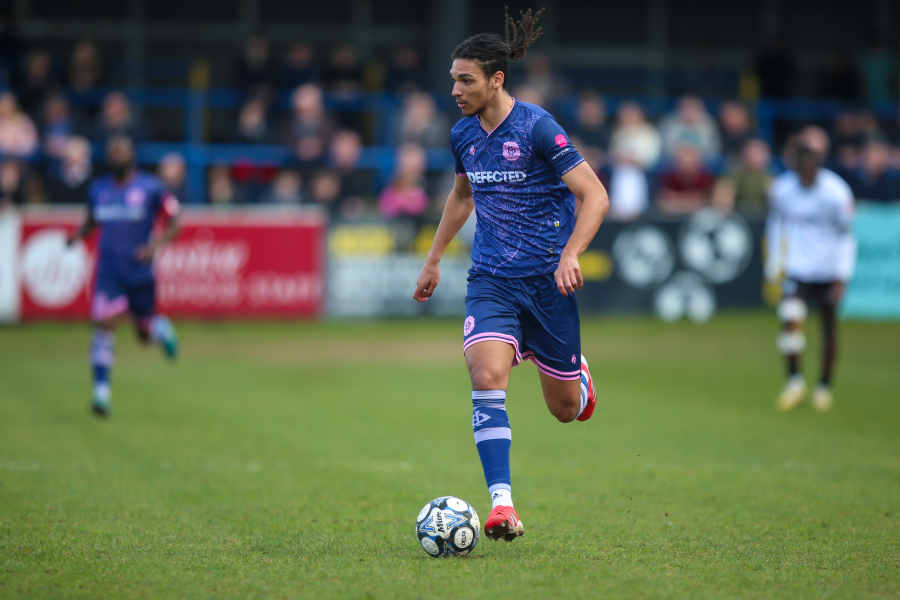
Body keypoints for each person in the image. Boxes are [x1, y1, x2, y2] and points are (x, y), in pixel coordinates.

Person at [413, 9, 608, 543]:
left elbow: (595, 195)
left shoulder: (539, 127)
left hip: (548, 283)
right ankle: (502, 505)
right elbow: (462, 195)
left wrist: (571, 254)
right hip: (492, 280)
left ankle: (578, 377)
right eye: (453, 78)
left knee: (565, 411)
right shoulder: (462, 135)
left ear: (496, 79)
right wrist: (433, 259)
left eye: (465, 79)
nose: (454, 88)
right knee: (485, 377)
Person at [66, 135, 181, 417]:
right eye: (113, 152)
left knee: (142, 333)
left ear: (132, 156)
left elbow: (176, 220)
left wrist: (154, 247)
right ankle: (101, 395)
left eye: (122, 152)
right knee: (103, 324)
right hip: (109, 271)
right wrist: (77, 236)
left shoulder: (151, 187)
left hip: (139, 272)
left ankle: (159, 330)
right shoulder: (98, 189)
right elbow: (93, 220)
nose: (117, 157)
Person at [765, 127, 856, 413]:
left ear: (817, 166)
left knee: (828, 327)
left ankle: (824, 386)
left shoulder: (836, 192)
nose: (805, 175)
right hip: (798, 267)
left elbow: (846, 236)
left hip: (828, 268)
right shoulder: (782, 189)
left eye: (810, 169)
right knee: (790, 317)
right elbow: (776, 225)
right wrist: (774, 264)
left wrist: (843, 273)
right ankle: (794, 381)